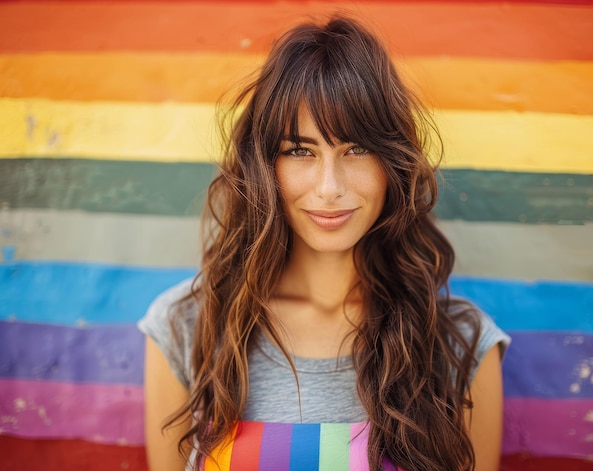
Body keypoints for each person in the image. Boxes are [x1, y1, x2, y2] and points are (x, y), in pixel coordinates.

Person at [139, 15, 510, 471]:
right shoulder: (188, 327)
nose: (329, 187)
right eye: (300, 151)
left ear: (393, 161)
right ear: (264, 166)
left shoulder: (459, 344)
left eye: (356, 149)